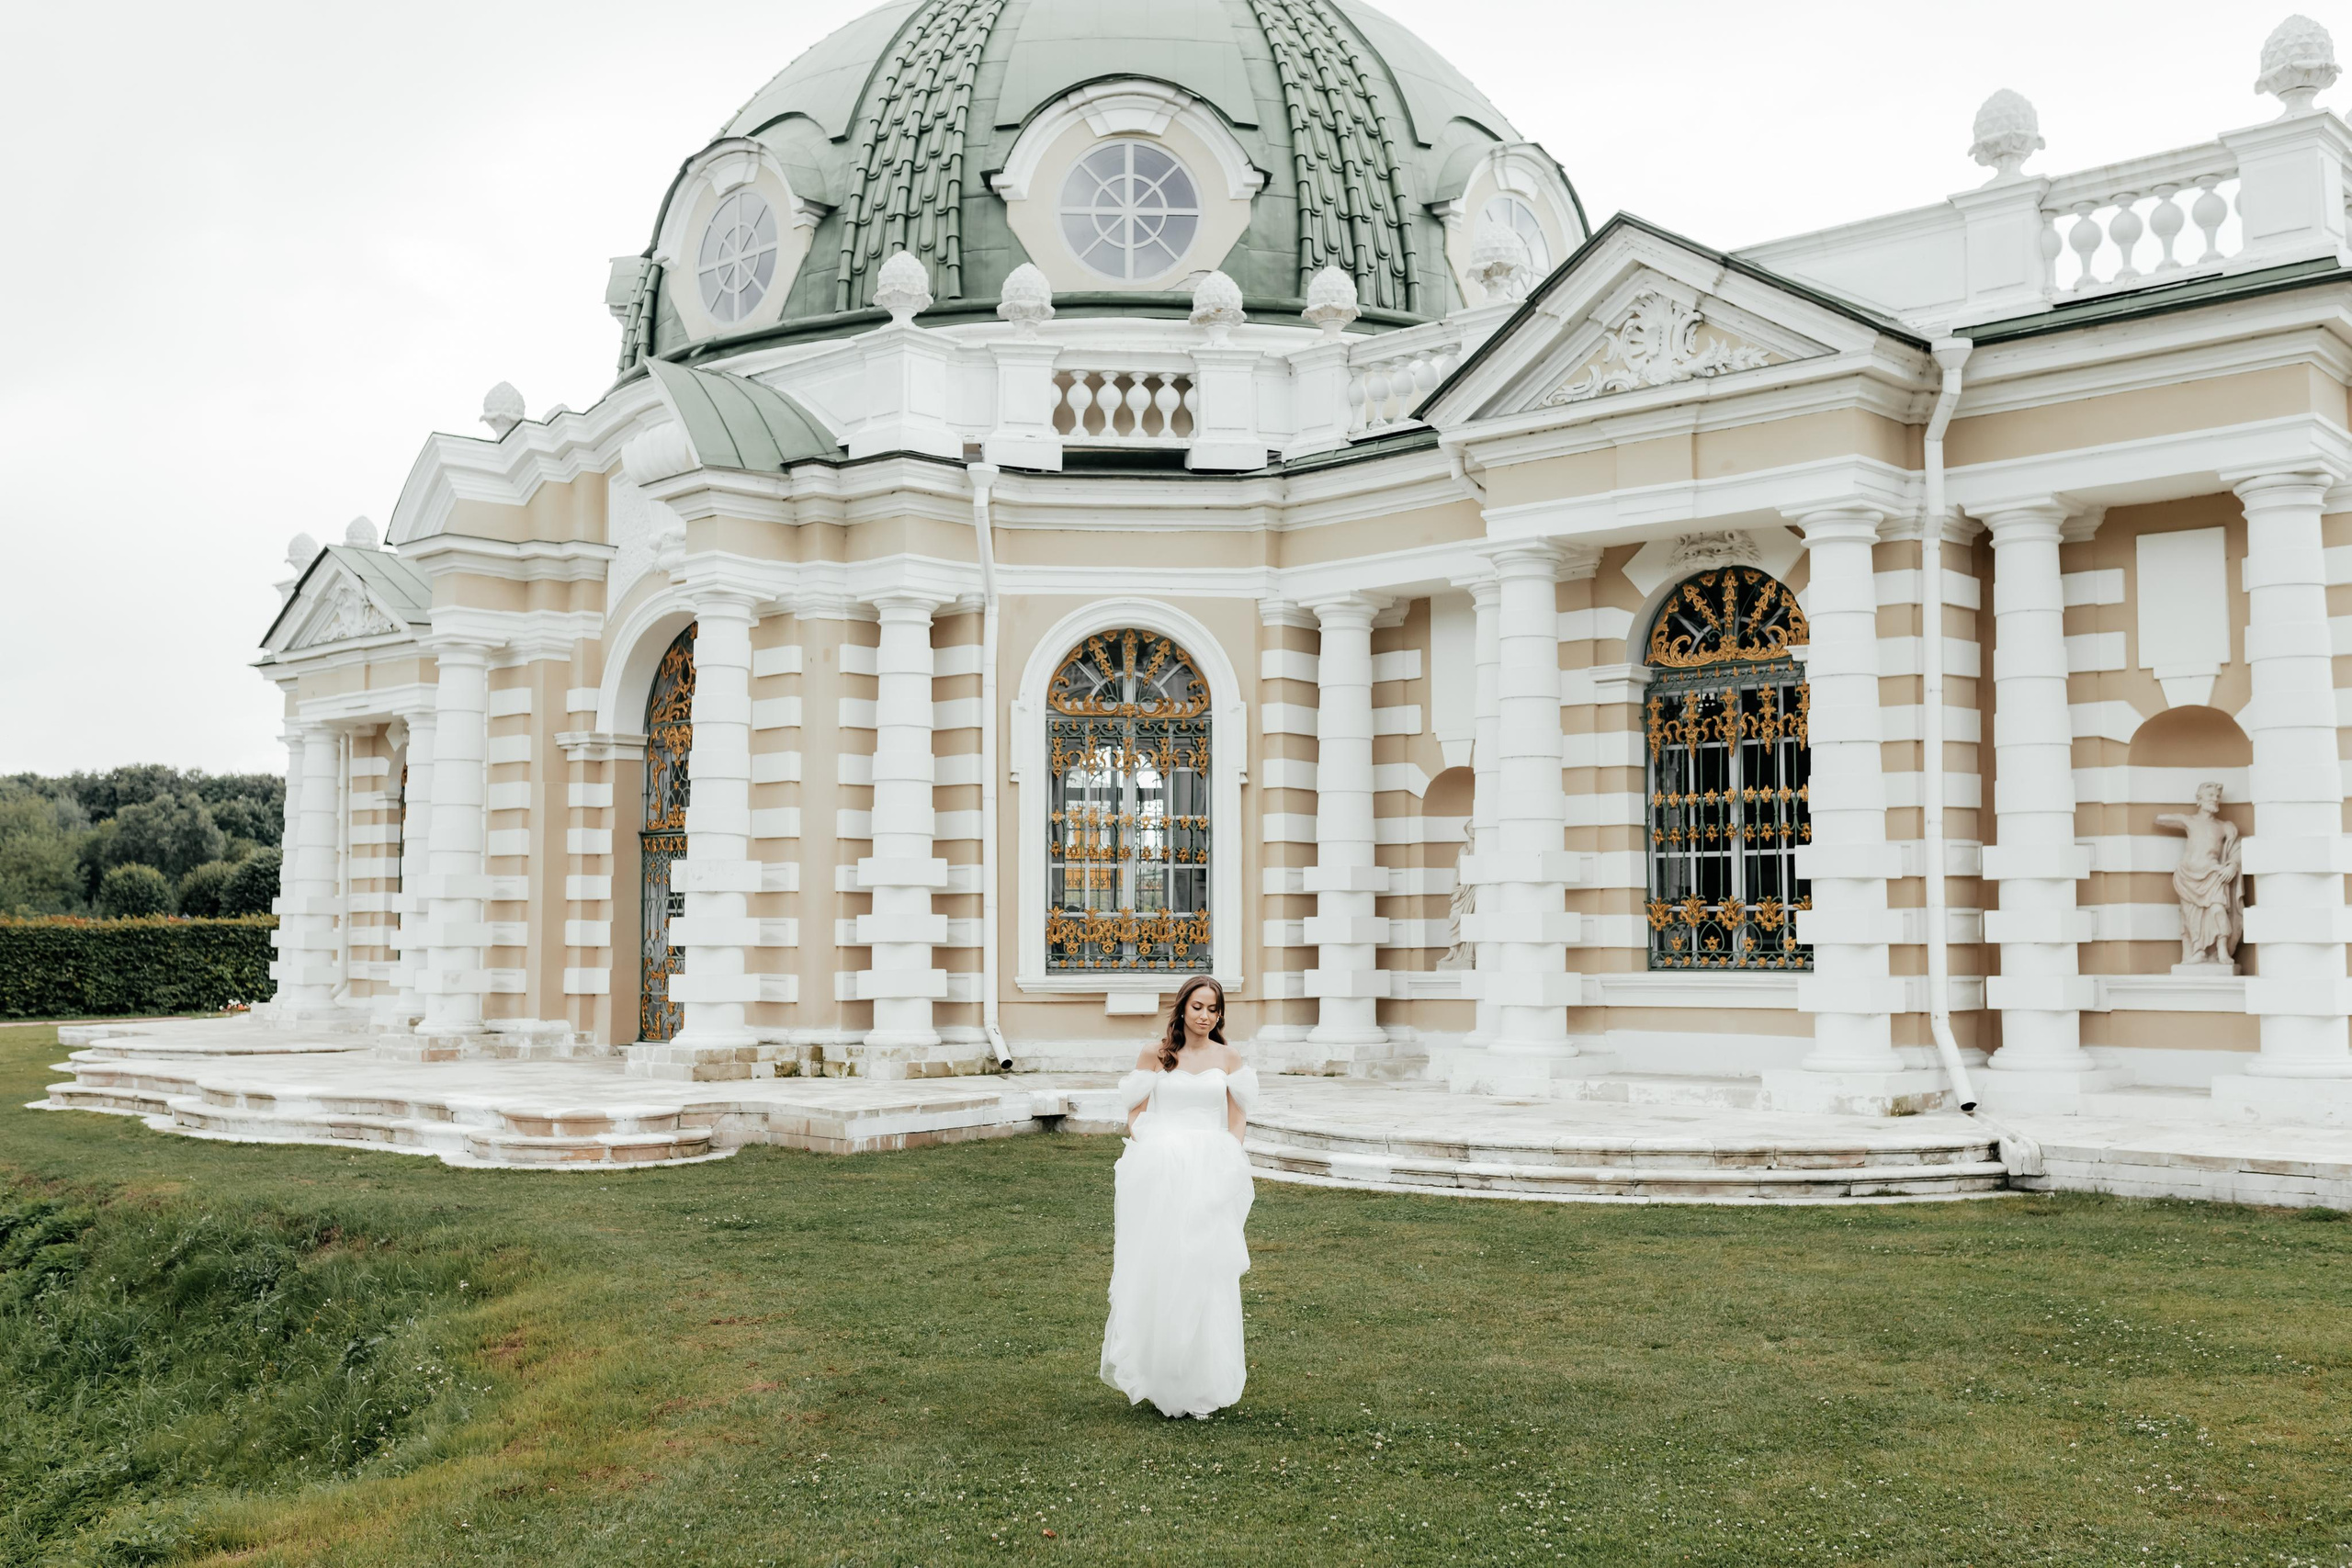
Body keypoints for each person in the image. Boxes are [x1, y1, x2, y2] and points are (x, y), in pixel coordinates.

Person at [1098, 974, 1258, 1419]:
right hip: (1163, 1173)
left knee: (1205, 1270)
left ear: (1220, 1014)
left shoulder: (1229, 1058)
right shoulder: (1156, 1054)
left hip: (1210, 1170)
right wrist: (1160, 1149)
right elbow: (1135, 1116)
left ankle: (1201, 1382)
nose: (1205, 1016)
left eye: (1213, 1009)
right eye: (1198, 1007)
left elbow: (1237, 1116)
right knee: (1164, 1267)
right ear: (1182, 1008)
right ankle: (1161, 1376)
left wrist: (1227, 1155)